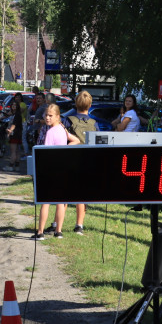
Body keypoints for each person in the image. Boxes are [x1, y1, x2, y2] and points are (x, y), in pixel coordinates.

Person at [31, 103, 79, 240]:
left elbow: (45, 153)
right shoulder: (63, 129)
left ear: (58, 116)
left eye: (50, 116)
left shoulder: (50, 132)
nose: (47, 118)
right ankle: (59, 231)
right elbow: (76, 140)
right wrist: (66, 148)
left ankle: (40, 232)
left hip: (50, 170)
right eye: (46, 115)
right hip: (62, 169)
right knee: (60, 201)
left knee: (45, 202)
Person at [65, 90, 97, 234]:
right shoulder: (94, 123)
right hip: (88, 161)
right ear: (90, 105)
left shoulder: (68, 121)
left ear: (75, 104)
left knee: (65, 193)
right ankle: (79, 225)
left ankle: (56, 223)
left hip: (71, 159)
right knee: (82, 194)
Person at [4, 93, 25, 171]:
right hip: (18, 133)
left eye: (15, 105)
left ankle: (10, 166)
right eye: (12, 105)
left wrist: (9, 130)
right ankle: (17, 166)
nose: (13, 106)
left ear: (18, 106)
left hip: (15, 133)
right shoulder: (14, 113)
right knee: (17, 150)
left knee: (13, 151)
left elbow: (14, 124)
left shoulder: (17, 114)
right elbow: (6, 115)